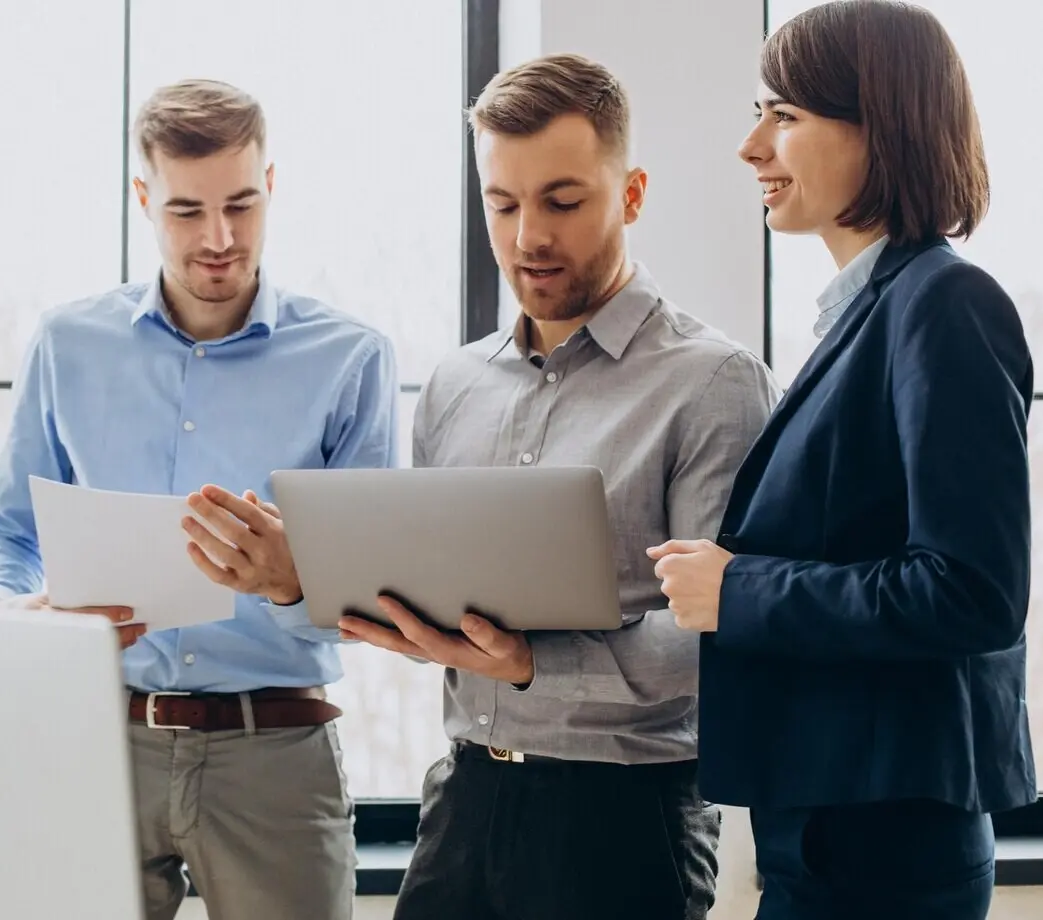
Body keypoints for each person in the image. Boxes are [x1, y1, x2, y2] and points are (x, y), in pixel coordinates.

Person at [327, 53, 783, 919]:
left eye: (563, 201)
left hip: (625, 817)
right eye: (503, 203)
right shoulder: (455, 385)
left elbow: (728, 641)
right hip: (463, 800)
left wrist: (537, 664)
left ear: (633, 195)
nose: (529, 234)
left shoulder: (713, 383)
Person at [0, 78, 397, 920]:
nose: (219, 239)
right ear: (142, 197)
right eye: (186, 212)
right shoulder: (66, 345)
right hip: (95, 738)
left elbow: (373, 595)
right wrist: (13, 614)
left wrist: (293, 581)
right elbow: (5, 532)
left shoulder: (352, 360)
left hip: (276, 748)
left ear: (272, 185)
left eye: (240, 203)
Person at [650, 3, 1037, 918]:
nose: (752, 147)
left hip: (886, 845)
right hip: (830, 832)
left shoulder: (945, 304)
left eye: (784, 116)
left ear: (884, 124)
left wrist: (736, 591)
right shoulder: (873, 312)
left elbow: (971, 591)